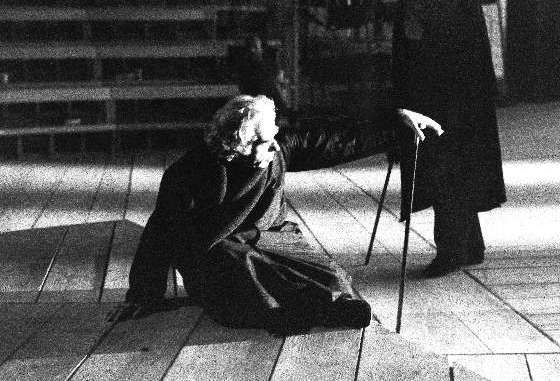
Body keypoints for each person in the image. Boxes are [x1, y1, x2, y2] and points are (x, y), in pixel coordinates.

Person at [106, 94, 440, 333]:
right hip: (218, 249)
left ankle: (317, 306)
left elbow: (333, 139)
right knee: (243, 272)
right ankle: (286, 311)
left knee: (333, 281)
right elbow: (161, 232)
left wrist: (395, 122)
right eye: (266, 141)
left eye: (275, 136)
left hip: (274, 239)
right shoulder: (190, 171)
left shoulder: (277, 150)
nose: (276, 145)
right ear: (238, 145)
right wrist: (143, 295)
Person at [392, 0, 506, 278]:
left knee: (448, 174)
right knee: (450, 174)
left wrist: (424, 35)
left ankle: (451, 251)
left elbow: (464, 44)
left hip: (456, 100)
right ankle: (470, 247)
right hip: (427, 98)